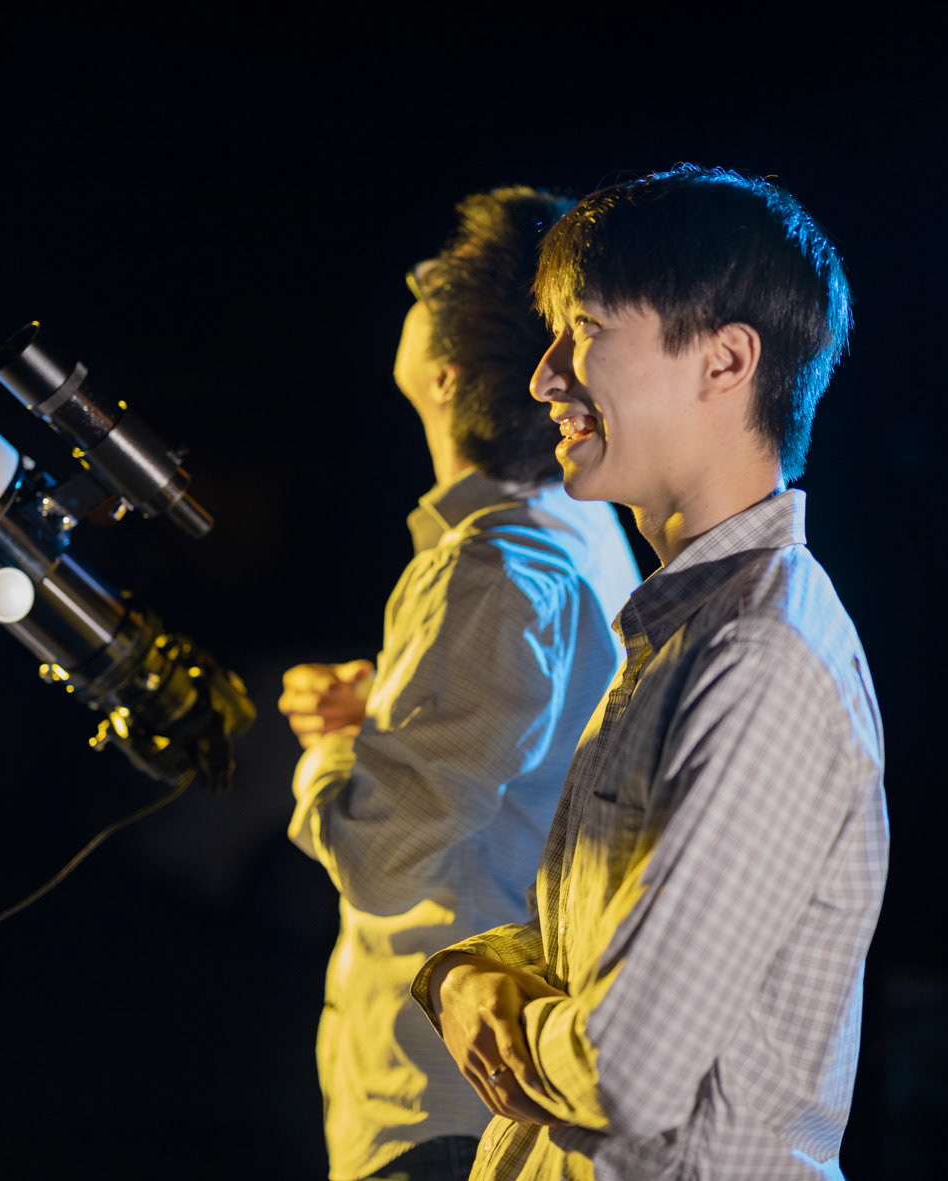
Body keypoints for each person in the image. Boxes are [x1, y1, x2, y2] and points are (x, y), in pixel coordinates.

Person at [414, 166, 889, 1180]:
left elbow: (624, 1067)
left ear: (724, 361)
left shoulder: (756, 659)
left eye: (582, 329)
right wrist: (471, 968)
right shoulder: (688, 631)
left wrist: (468, 992)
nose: (544, 376)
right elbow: (589, 972)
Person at [279, 187, 639, 1181]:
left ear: (444, 376)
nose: (416, 279)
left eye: (438, 285)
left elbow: (383, 860)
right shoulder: (578, 531)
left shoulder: (490, 566)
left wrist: (326, 752)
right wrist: (377, 719)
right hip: (474, 1100)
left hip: (438, 1114)